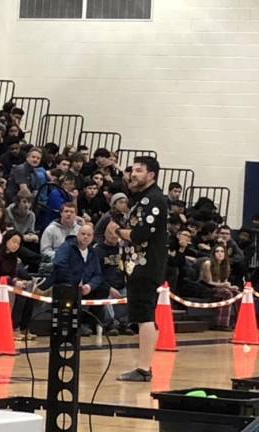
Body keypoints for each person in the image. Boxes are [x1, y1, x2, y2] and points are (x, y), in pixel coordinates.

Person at [108, 156, 168, 382]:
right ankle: (143, 367)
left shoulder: (153, 200)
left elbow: (141, 234)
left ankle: (143, 369)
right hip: (138, 267)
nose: (133, 174)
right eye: (132, 170)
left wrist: (119, 232)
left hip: (146, 266)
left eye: (139, 171)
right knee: (144, 315)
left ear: (151, 174)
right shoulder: (142, 197)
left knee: (144, 316)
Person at [49, 224, 106, 336]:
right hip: (67, 284)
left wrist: (89, 286)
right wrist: (74, 282)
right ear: (78, 234)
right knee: (70, 292)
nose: (85, 237)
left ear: (92, 237)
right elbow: (59, 264)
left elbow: (98, 274)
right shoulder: (67, 246)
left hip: (85, 287)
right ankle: (72, 326)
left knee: (103, 289)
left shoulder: (93, 252)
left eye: (89, 235)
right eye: (83, 234)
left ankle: (91, 324)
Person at [199, 244, 241, 330]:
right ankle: (221, 324)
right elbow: (209, 282)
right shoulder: (208, 263)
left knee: (237, 293)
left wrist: (231, 287)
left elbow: (223, 282)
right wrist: (224, 286)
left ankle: (239, 322)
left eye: (222, 251)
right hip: (205, 287)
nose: (219, 253)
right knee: (227, 293)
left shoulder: (226, 265)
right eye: (217, 251)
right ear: (213, 253)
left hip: (218, 287)